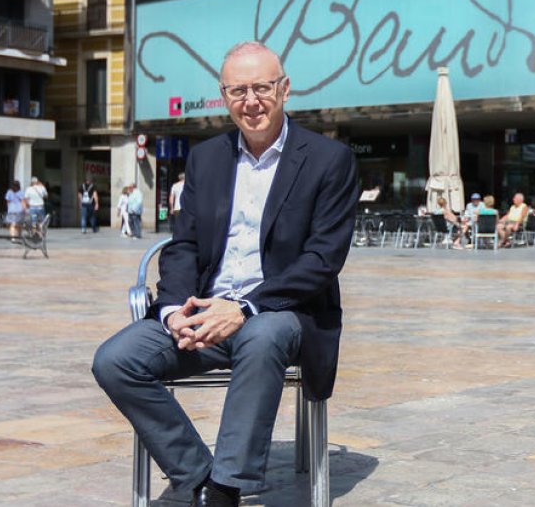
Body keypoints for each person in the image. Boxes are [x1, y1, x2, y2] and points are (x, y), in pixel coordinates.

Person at [92, 41, 358, 507]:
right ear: (223, 95)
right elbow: (184, 246)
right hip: (202, 311)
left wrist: (244, 306)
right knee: (115, 359)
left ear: (285, 89)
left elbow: (321, 260)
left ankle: (226, 489)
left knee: (263, 334)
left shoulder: (328, 160)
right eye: (238, 90)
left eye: (261, 87)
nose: (251, 101)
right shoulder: (207, 158)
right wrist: (174, 309)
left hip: (283, 312)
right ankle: (195, 473)